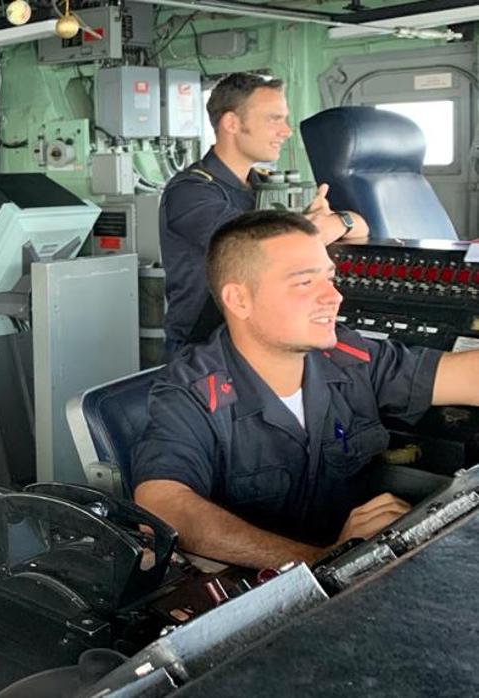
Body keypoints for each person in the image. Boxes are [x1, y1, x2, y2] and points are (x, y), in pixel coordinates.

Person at [131, 210, 479, 570]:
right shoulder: (192, 393)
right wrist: (323, 562)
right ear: (239, 300)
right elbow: (162, 504)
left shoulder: (348, 358)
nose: (334, 297)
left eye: (330, 278)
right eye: (304, 283)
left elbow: (467, 376)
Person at [159, 72, 369, 356]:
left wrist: (338, 222)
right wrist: (318, 229)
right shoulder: (191, 192)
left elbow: (360, 226)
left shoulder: (265, 184)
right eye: (274, 119)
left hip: (262, 340)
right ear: (231, 123)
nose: (286, 131)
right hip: (204, 350)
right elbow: (260, 249)